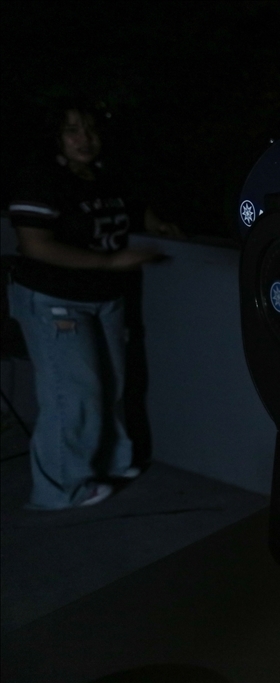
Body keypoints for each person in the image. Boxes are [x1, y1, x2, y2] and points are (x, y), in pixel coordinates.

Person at [6, 101, 181, 509]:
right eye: (72, 131)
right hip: (54, 300)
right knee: (73, 394)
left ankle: (111, 463)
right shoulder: (41, 178)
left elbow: (132, 206)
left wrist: (155, 223)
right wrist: (109, 260)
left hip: (105, 298)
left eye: (90, 130)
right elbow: (35, 244)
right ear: (56, 138)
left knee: (113, 385)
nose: (84, 139)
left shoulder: (102, 174)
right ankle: (60, 489)